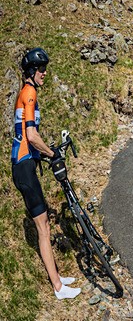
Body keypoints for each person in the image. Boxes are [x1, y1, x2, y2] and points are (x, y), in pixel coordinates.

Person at [12, 48, 81, 300]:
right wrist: (51, 154)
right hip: (23, 168)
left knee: (45, 225)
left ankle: (57, 277)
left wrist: (45, 151)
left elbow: (27, 138)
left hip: (26, 164)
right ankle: (58, 288)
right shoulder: (28, 92)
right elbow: (30, 136)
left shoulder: (29, 94)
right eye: (41, 70)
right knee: (43, 227)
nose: (44, 74)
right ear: (31, 71)